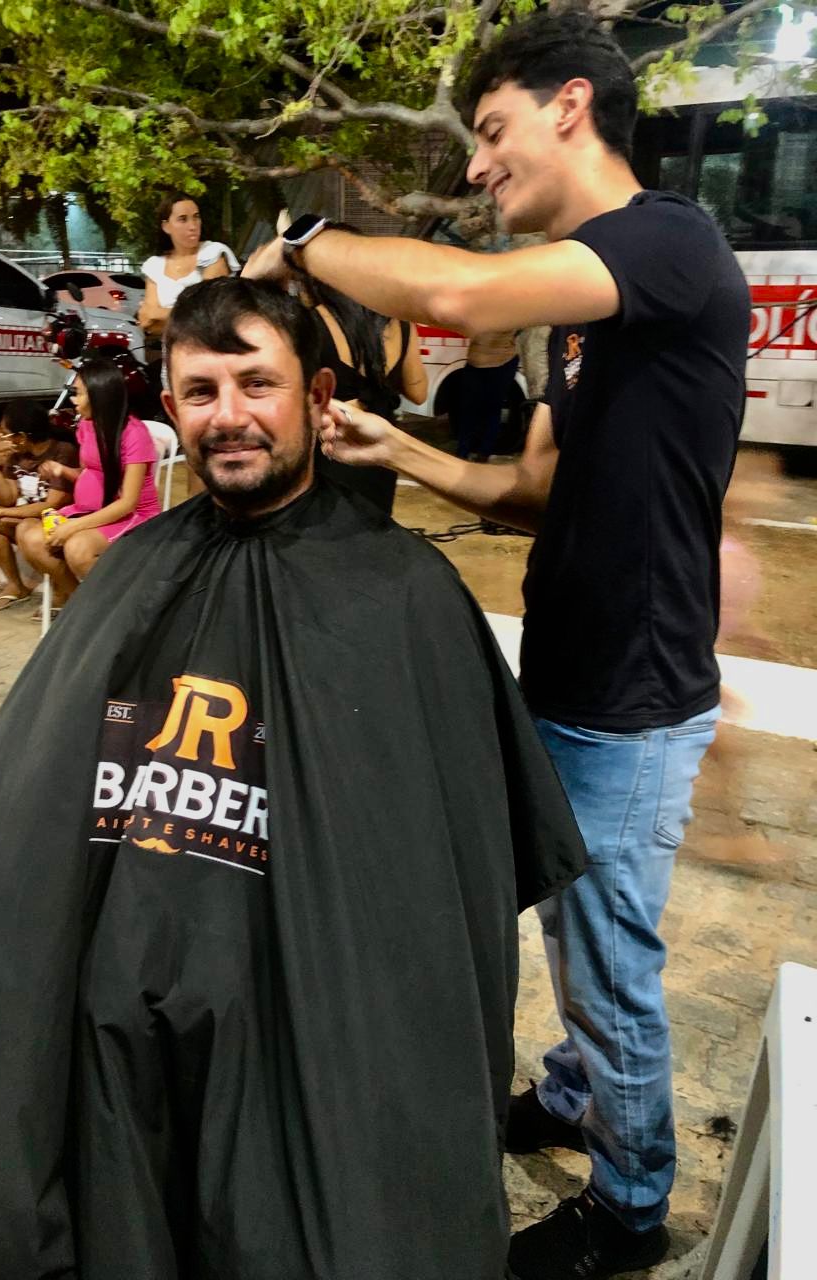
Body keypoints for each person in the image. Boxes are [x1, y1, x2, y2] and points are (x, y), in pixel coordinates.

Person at [0, 277, 585, 1279]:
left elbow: (448, 876)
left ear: (316, 394)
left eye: (257, 384)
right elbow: (26, 826)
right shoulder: (130, 573)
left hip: (311, 1009)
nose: (229, 415)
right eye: (201, 391)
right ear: (171, 407)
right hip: (124, 1012)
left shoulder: (405, 595)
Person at [244, 11, 750, 1279]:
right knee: (576, 922)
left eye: (490, 129)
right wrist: (397, 448)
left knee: (606, 957)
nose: (476, 164)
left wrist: (303, 241)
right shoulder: (579, 313)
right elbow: (532, 495)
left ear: (569, 105)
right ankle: (577, 1093)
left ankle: (630, 1206)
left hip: (636, 691)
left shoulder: (667, 243)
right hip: (571, 665)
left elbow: (451, 291)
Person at [17, 358, 162, 615]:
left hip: (134, 516)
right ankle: (80, 606)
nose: (74, 400)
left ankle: (118, 612)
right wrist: (63, 471)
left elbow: (128, 503)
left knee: (78, 547)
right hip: (91, 511)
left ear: (99, 395)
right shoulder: (86, 426)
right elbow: (90, 473)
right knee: (28, 533)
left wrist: (73, 526)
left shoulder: (134, 434)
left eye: (79, 393)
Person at [306, 271, 427, 512]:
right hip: (380, 449)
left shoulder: (310, 322)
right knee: (374, 523)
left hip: (330, 448)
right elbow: (419, 393)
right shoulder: (401, 324)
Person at [0, 400, 79, 611]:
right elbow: (7, 499)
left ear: (21, 437)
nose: (2, 439)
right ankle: (16, 585)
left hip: (57, 518)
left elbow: (52, 504)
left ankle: (67, 592)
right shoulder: (15, 455)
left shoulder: (62, 451)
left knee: (23, 526)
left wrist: (2, 512)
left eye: (6, 434)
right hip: (29, 515)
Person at [137, 192, 241, 338]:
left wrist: (160, 315)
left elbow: (208, 313)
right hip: (170, 349)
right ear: (166, 226)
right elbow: (148, 322)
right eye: (183, 219)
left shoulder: (213, 253)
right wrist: (189, 315)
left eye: (196, 217)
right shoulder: (155, 266)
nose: (193, 226)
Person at [449, 329, 519, 460]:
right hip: (499, 361)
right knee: (490, 410)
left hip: (486, 362)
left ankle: (466, 451)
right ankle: (481, 452)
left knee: (473, 410)